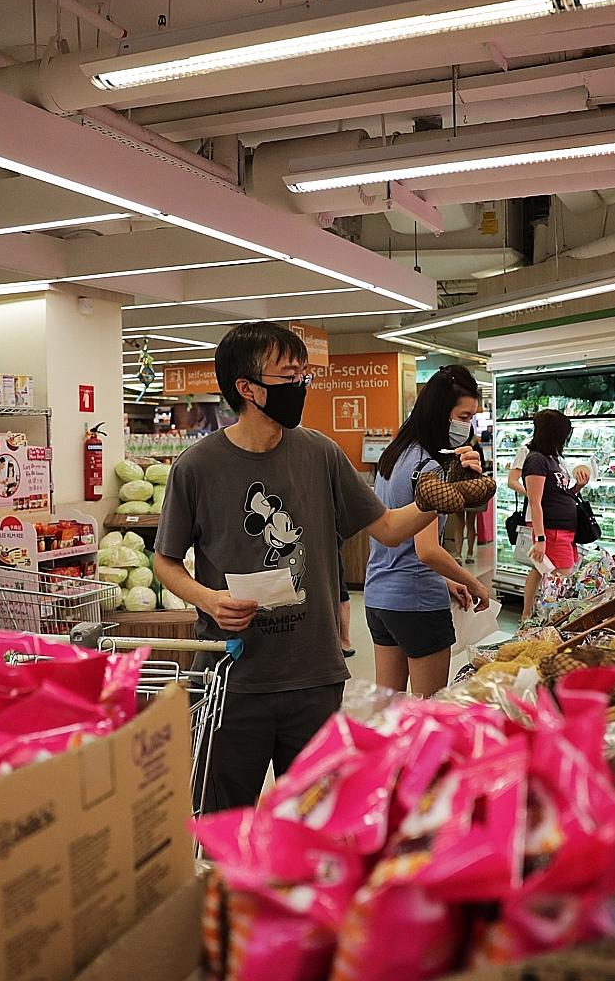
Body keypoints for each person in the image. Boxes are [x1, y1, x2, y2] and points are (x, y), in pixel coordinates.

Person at [153, 321, 487, 812]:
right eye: (288, 376)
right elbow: (164, 560)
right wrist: (208, 599)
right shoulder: (197, 466)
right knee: (225, 821)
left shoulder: (320, 453)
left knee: (315, 819)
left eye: (302, 374)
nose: (300, 386)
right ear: (247, 388)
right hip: (234, 679)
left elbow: (388, 527)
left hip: (314, 676)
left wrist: (440, 496)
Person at [365, 365, 493, 697]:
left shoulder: (394, 455)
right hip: (417, 601)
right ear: (440, 412)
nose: (467, 426)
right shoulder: (430, 467)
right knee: (429, 708)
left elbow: (399, 538)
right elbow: (427, 550)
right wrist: (475, 583)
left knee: (388, 708)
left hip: (379, 598)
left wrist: (447, 580)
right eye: (463, 417)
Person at [507, 412, 589, 618]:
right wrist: (541, 538)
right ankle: (551, 620)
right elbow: (535, 501)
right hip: (552, 530)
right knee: (561, 575)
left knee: (542, 571)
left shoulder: (553, 459)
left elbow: (561, 494)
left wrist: (578, 486)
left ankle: (528, 616)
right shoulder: (536, 460)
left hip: (563, 529)